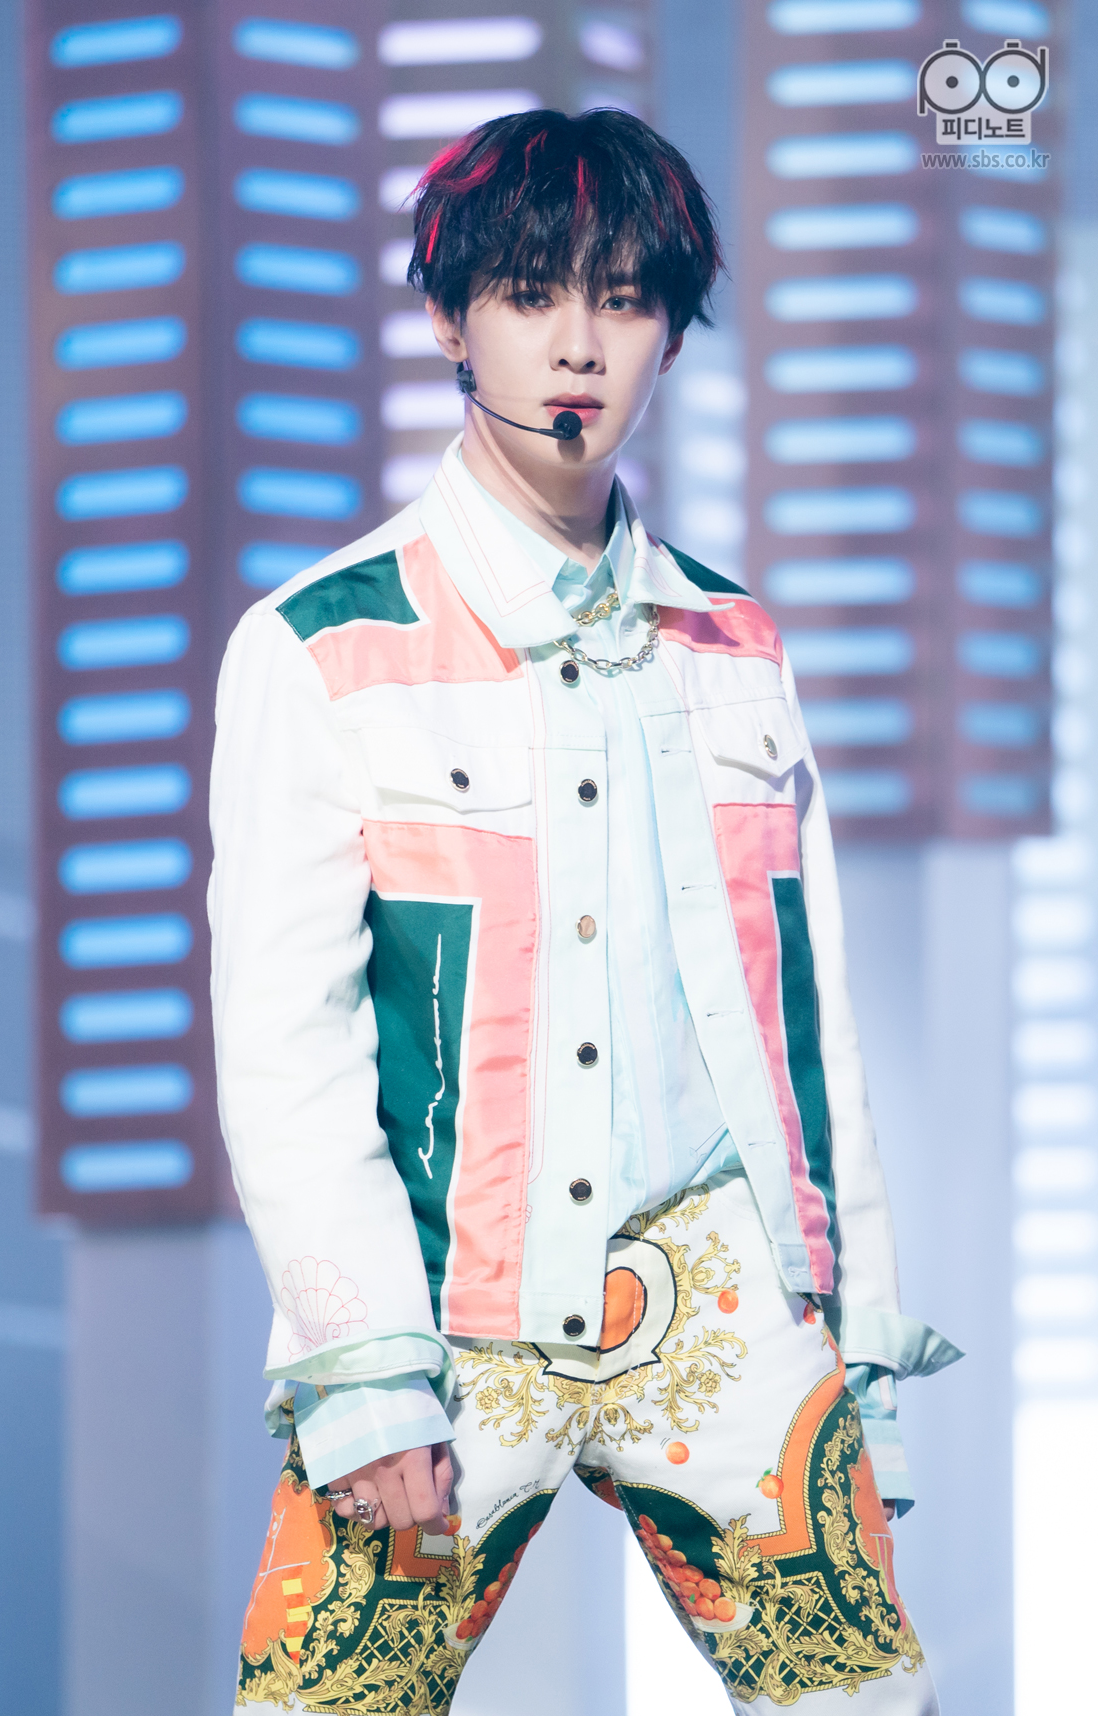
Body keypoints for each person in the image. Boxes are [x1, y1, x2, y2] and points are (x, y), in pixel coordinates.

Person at [210, 107, 959, 1715]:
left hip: (732, 1309)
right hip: (449, 1326)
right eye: (531, 292)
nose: (577, 346)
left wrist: (862, 1355)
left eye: (624, 299)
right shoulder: (320, 645)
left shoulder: (734, 642)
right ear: (449, 318)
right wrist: (362, 1377)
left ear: (671, 333)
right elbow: (285, 1050)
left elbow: (809, 1022)